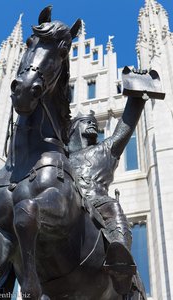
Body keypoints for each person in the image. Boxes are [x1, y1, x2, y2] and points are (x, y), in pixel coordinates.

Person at [68, 69, 149, 295]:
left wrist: (137, 95)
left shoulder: (103, 151)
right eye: (86, 122)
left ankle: (120, 260)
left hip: (97, 203)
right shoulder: (61, 157)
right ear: (73, 129)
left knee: (113, 206)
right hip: (67, 203)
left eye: (94, 122)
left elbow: (125, 128)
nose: (92, 124)